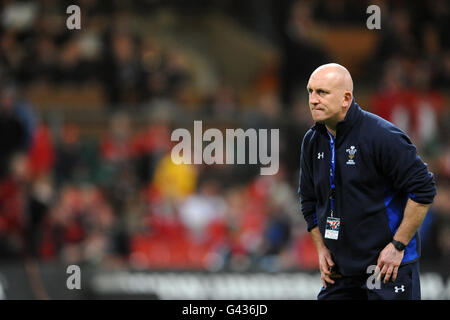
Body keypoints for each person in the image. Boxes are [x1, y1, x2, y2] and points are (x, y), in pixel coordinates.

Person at [298, 63, 437, 300]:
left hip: (387, 268)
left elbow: (423, 189)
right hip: (340, 271)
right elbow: (308, 200)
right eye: (310, 91)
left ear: (346, 98)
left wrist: (398, 245)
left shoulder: (382, 136)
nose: (313, 99)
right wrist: (321, 248)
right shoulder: (312, 141)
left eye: (322, 92)